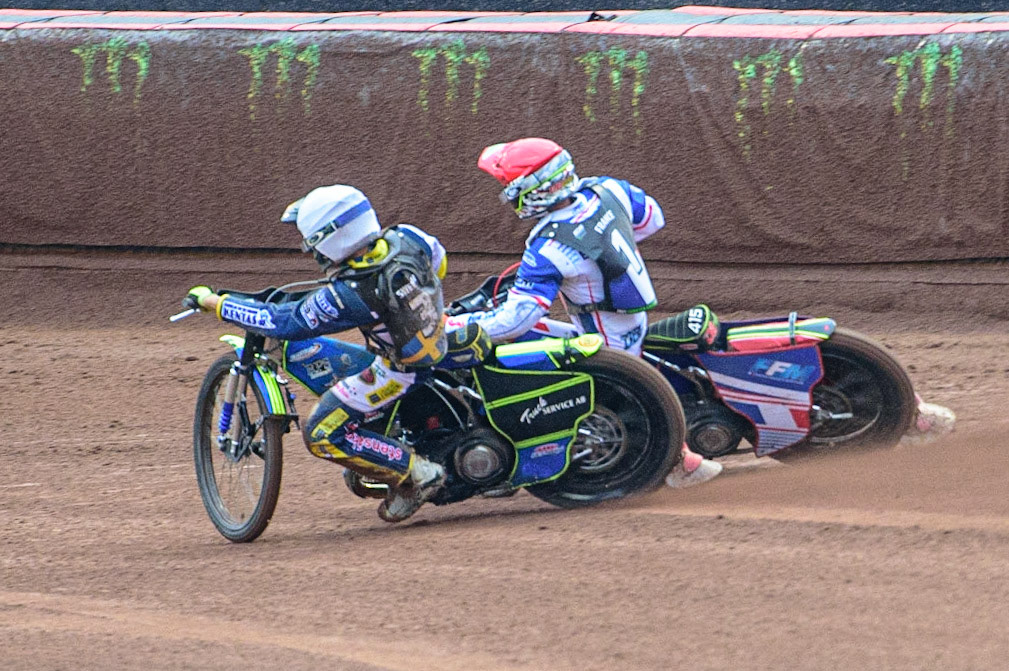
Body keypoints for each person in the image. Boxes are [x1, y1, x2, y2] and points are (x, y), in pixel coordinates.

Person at [185, 184, 463, 523]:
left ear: (331, 238)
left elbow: (284, 322)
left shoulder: (352, 293)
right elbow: (441, 261)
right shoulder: (406, 237)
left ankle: (417, 475)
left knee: (320, 433)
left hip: (398, 369)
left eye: (312, 242)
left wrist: (216, 304)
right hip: (441, 332)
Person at [454, 137, 722, 488]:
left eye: (508, 185)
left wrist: (461, 325)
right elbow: (652, 218)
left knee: (515, 355)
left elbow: (518, 318)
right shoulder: (608, 189)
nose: (505, 192)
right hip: (629, 320)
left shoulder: (550, 245)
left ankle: (678, 460)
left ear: (533, 190)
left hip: (602, 337)